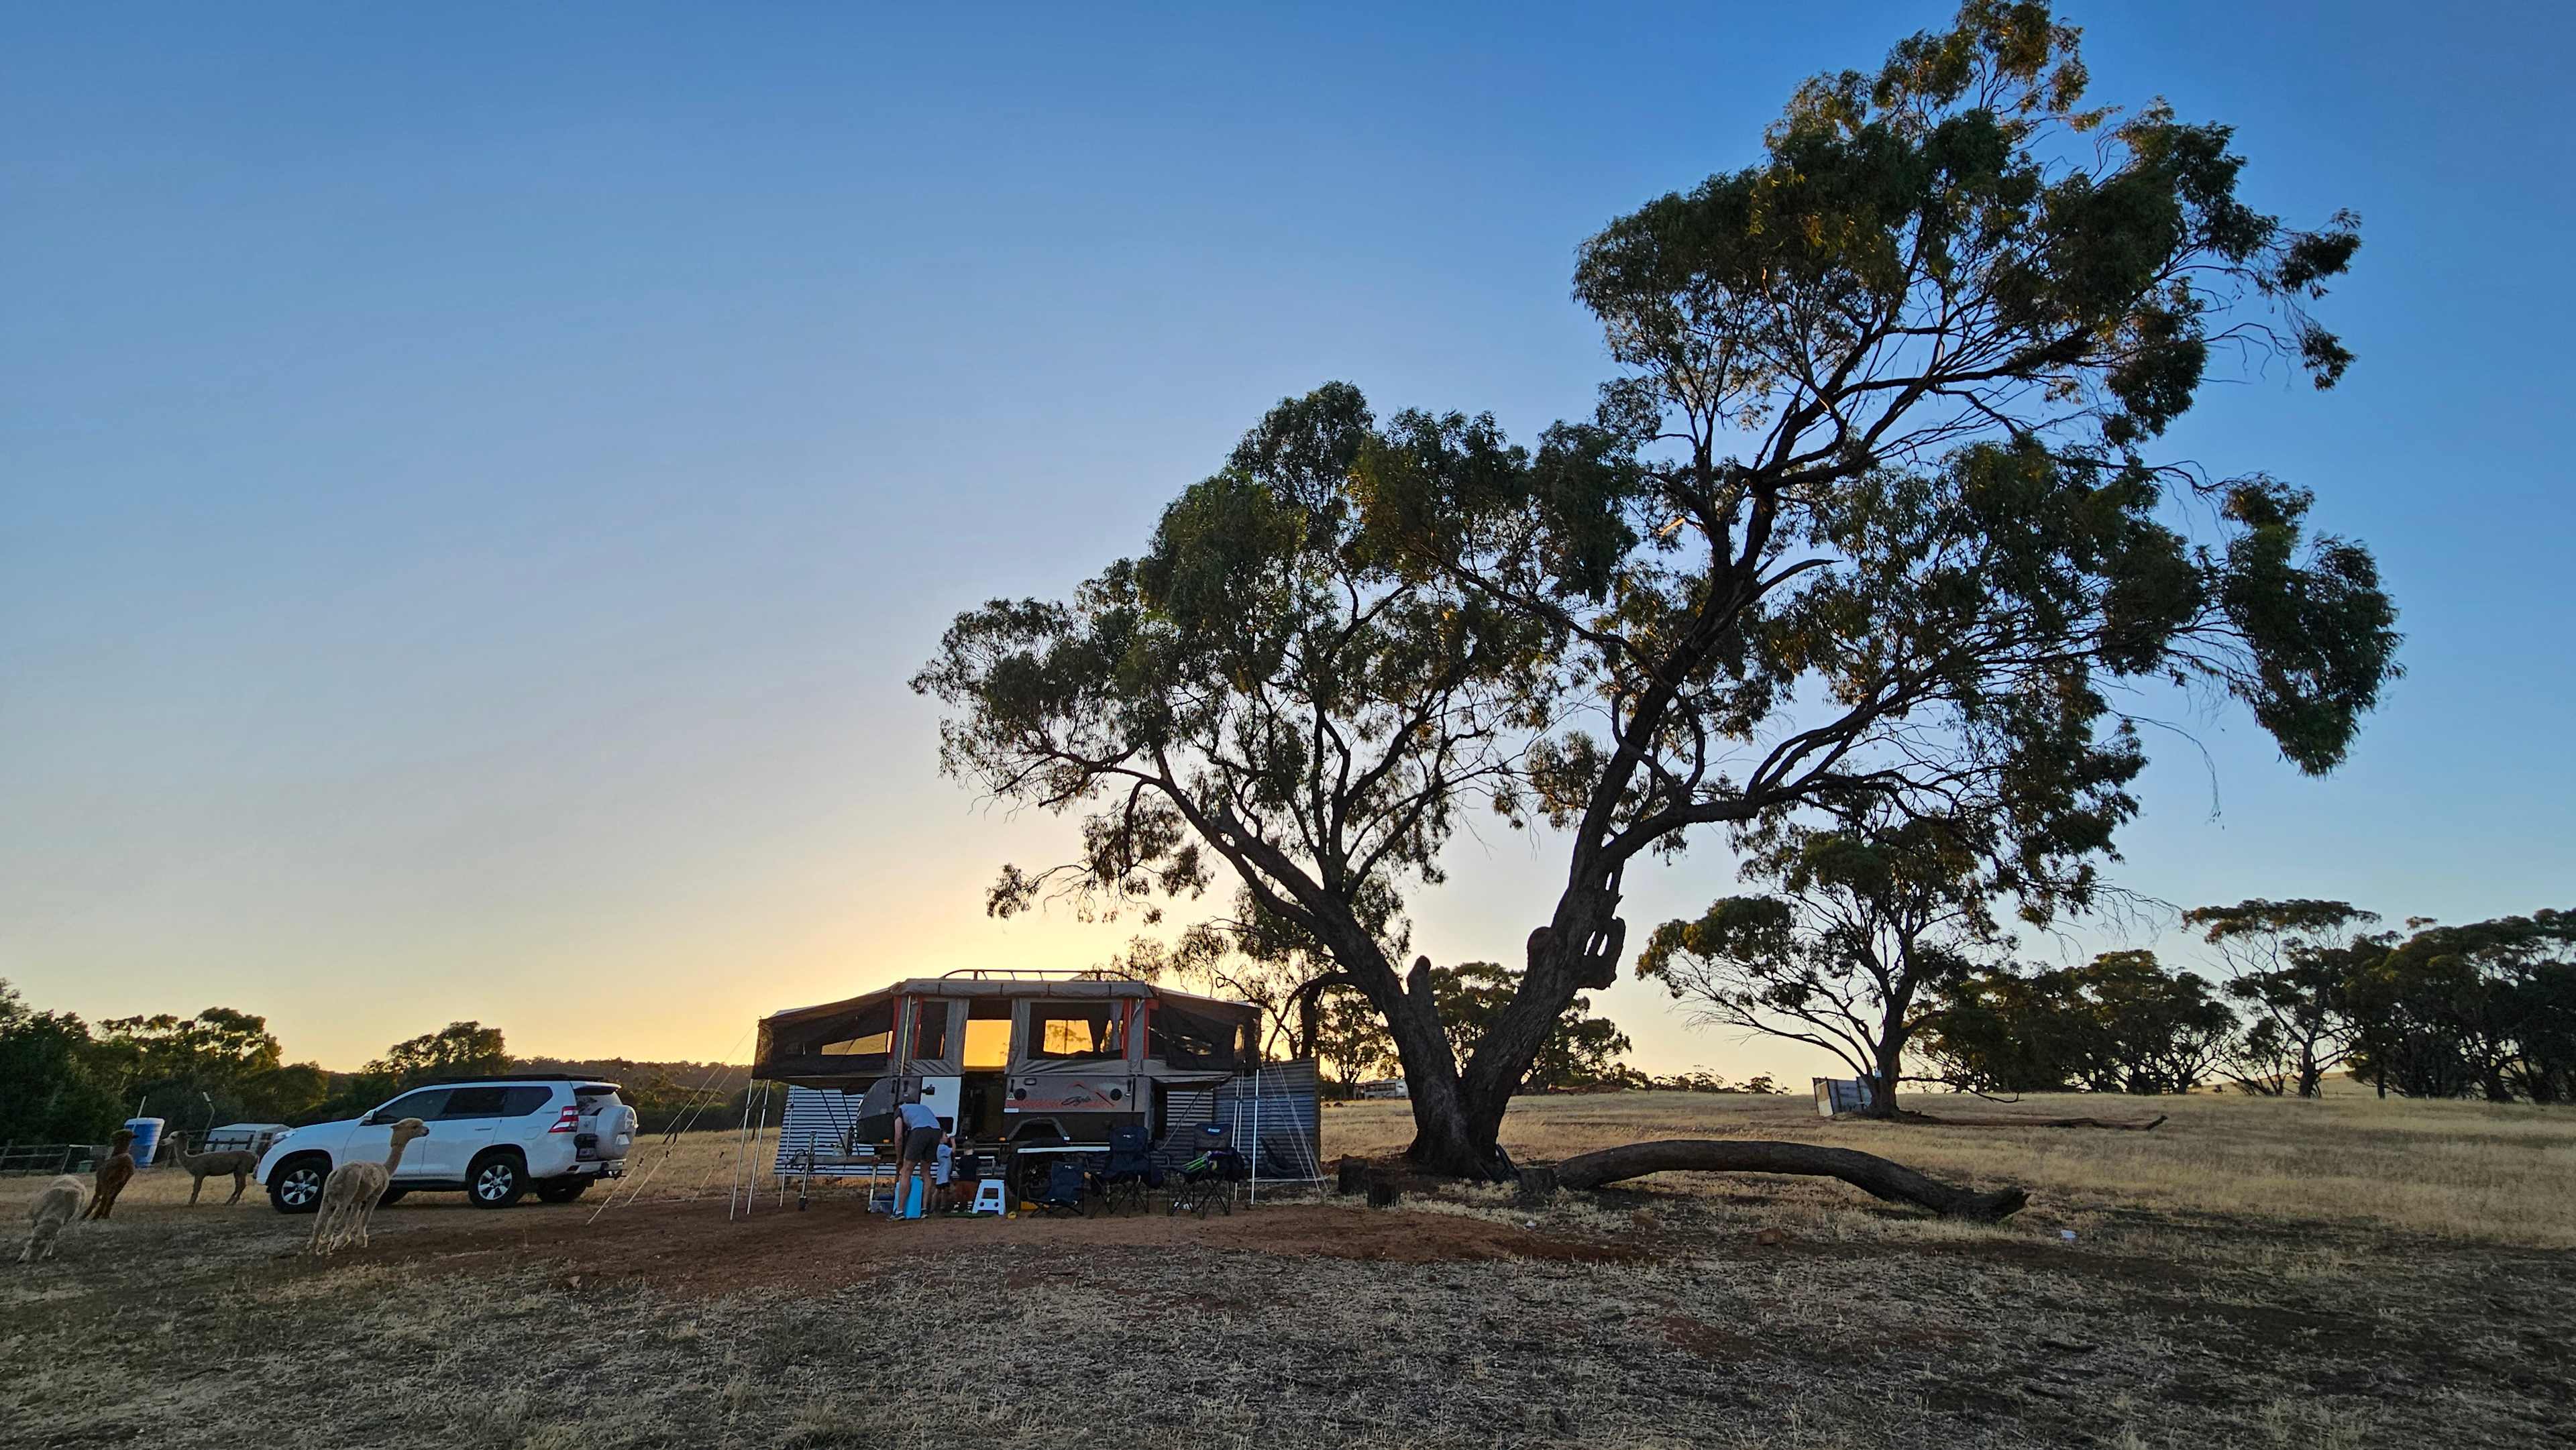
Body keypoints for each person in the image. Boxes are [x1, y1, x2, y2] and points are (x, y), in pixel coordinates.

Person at [890, 1089, 945, 1220]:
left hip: (920, 1131)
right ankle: (924, 1209)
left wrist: (899, 1158)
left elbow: (898, 1137)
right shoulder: (924, 1108)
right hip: (936, 1132)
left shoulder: (900, 1110)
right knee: (926, 1171)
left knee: (906, 1171)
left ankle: (899, 1211)